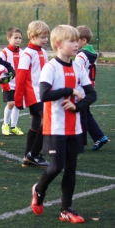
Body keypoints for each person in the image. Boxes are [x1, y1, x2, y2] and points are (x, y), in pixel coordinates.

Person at [31, 25, 97, 223]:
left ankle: (66, 209)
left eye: (77, 40)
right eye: (72, 41)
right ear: (59, 44)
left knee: (71, 168)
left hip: (74, 127)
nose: (77, 44)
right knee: (56, 166)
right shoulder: (51, 67)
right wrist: (69, 90)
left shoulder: (77, 66)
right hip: (55, 127)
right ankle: (39, 190)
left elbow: (91, 94)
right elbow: (44, 95)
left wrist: (77, 107)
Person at [14, 20, 50, 167]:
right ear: (32, 36)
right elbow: (21, 77)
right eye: (42, 37)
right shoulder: (27, 54)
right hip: (34, 95)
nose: (46, 40)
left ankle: (28, 157)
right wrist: (18, 99)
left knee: (36, 123)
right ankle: (34, 154)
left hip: (44, 94)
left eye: (47, 36)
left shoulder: (43, 52)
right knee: (49, 120)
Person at [75, 25, 108, 150]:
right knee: (86, 114)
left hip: (82, 89)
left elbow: (78, 73)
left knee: (81, 115)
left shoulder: (81, 56)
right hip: (89, 88)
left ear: (83, 40)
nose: (73, 43)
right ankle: (100, 137)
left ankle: (81, 142)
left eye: (75, 40)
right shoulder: (91, 53)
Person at [0, 27, 24, 136]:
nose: (18, 40)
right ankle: (5, 125)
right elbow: (0, 70)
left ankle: (13, 126)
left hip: (19, 84)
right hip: (8, 84)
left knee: (17, 105)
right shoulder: (4, 53)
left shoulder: (23, 53)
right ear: (9, 38)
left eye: (20, 38)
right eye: (15, 38)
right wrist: (4, 85)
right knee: (11, 103)